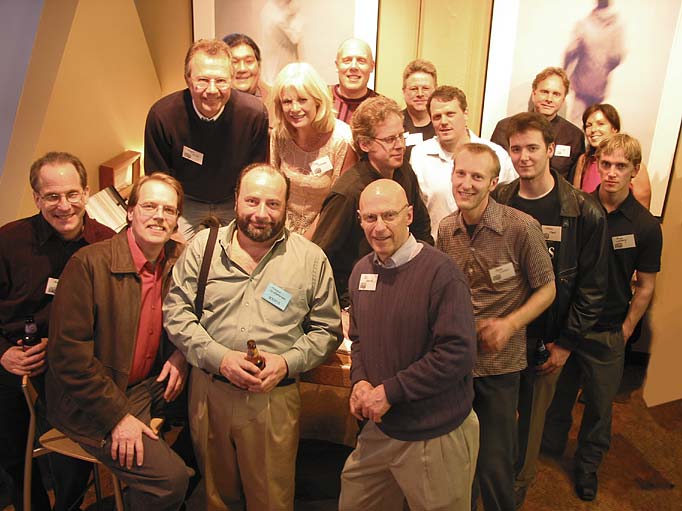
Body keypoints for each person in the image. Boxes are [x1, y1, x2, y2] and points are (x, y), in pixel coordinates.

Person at [163, 163, 342, 511]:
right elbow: (177, 312)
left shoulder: (310, 259)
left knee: (271, 500)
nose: (261, 214)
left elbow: (327, 330)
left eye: (273, 204)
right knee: (216, 497)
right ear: (236, 200)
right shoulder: (203, 248)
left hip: (272, 400)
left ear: (286, 206)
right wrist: (219, 358)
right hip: (209, 394)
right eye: (252, 201)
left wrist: (287, 363)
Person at [46, 173, 191, 510]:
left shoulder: (177, 260)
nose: (159, 216)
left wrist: (181, 355)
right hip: (90, 401)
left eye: (169, 210)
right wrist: (117, 417)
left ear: (177, 220)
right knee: (169, 481)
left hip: (145, 386)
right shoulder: (88, 265)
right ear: (129, 211)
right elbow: (70, 360)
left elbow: (195, 317)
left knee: (216, 408)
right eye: (150, 206)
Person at [338, 179, 479, 510]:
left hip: (433, 432)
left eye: (389, 215)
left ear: (410, 215)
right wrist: (359, 380)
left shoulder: (441, 274)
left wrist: (390, 392)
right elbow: (358, 339)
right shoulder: (361, 273)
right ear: (359, 219)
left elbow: (456, 354)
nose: (380, 227)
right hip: (381, 427)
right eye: (370, 218)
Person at [492, 112, 608, 508]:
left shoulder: (583, 212)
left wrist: (566, 345)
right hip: (504, 339)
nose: (523, 157)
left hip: (548, 341)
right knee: (498, 425)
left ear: (549, 149)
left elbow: (592, 287)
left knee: (529, 434)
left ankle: (514, 497)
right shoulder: (499, 198)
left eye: (532, 148)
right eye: (516, 149)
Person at [543, 134, 662, 501]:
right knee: (558, 397)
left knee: (598, 406)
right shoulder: (577, 210)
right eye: (605, 164)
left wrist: (625, 331)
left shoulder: (644, 226)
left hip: (609, 331)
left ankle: (588, 467)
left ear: (634, 171)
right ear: (596, 166)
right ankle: (548, 451)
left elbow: (645, 286)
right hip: (569, 328)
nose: (611, 173)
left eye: (620, 166)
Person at [437, 143, 555, 511]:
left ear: (493, 183)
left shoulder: (521, 228)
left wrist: (510, 323)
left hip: (500, 368)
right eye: (461, 174)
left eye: (477, 176)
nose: (467, 184)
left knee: (494, 465)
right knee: (458, 460)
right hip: (457, 365)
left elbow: (548, 287)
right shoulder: (446, 229)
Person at [0, 152, 114, 511]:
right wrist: (3, 352)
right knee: (11, 454)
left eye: (72, 194)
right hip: (12, 359)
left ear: (87, 192)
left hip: (73, 364)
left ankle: (70, 503)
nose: (64, 206)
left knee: (74, 453)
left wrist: (64, 348)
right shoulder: (8, 241)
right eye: (52, 196)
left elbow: (114, 317)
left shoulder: (106, 243)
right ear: (37, 199)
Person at [312, 96, 433, 309]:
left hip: (403, 282)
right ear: (365, 144)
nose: (399, 146)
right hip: (357, 294)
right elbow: (320, 257)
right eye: (389, 140)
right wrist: (341, 306)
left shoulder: (404, 170)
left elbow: (421, 229)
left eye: (400, 136)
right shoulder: (347, 193)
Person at [144, 39, 269, 240]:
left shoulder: (254, 114)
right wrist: (171, 223)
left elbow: (255, 173)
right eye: (202, 80)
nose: (212, 90)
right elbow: (158, 177)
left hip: (234, 200)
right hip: (184, 201)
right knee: (175, 256)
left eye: (220, 81)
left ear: (231, 79)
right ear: (187, 79)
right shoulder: (162, 116)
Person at [410, 85, 517, 238]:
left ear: (465, 113)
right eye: (437, 117)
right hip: (439, 247)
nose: (444, 122)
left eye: (450, 114)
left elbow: (509, 206)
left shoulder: (495, 154)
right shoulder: (420, 154)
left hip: (489, 247)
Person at [269, 62, 357, 237]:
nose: (294, 109)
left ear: (318, 101)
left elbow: (338, 205)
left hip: (327, 232)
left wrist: (304, 243)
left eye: (302, 100)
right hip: (281, 232)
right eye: (287, 101)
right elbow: (274, 189)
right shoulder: (279, 135)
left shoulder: (341, 139)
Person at [491, 67, 584, 181]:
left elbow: (574, 183)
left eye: (556, 94)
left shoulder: (574, 136)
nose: (549, 99)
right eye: (545, 92)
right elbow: (492, 170)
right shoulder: (505, 127)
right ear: (534, 94)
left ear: (563, 99)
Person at [572, 103, 652, 208]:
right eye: (589, 125)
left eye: (600, 124)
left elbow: (642, 212)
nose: (593, 130)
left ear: (614, 129)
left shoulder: (636, 167)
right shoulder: (584, 160)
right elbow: (575, 202)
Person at [563, 0, 625, 126]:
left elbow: (570, 51)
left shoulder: (584, 24)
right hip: (599, 87)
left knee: (575, 126)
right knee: (593, 127)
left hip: (581, 84)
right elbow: (617, 56)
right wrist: (603, 68)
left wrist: (563, 73)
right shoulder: (617, 26)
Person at [332, 38, 379, 124]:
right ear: (337, 65)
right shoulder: (320, 100)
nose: (353, 66)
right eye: (347, 60)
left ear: (372, 66)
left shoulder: (383, 107)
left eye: (361, 61)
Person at [222, 33, 271, 100]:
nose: (242, 69)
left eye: (249, 61)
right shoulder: (210, 105)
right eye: (234, 62)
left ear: (259, 65)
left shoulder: (276, 101)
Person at [401, 59, 437, 146]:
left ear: (435, 90)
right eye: (414, 89)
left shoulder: (444, 124)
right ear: (404, 91)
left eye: (425, 88)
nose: (420, 94)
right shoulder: (393, 125)